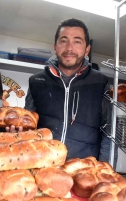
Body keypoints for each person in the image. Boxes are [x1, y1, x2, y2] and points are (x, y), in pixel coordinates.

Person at [24, 18, 112, 161]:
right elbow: (28, 126)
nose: (69, 48)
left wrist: (104, 172)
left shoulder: (100, 82)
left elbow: (108, 133)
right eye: (63, 41)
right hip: (44, 168)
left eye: (77, 41)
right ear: (55, 46)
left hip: (84, 173)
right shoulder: (36, 81)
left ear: (87, 50)